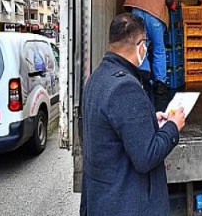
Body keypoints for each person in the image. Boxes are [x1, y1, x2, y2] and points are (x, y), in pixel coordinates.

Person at [79, 13, 186, 216]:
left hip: (103, 200)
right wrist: (173, 126)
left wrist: (149, 119)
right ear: (140, 45)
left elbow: (114, 127)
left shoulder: (97, 78)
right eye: (145, 44)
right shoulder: (126, 87)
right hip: (127, 205)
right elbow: (146, 156)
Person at [124, 0, 176, 96]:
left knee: (142, 46)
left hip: (136, 10)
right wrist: (171, 5)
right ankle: (160, 82)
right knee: (159, 48)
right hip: (154, 12)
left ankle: (145, 81)